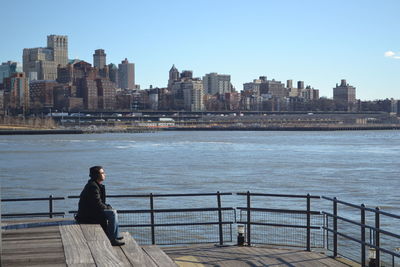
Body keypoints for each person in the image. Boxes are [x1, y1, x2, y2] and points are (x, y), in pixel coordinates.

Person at [75, 166, 125, 246]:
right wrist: (108, 208)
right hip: (87, 216)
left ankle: (114, 235)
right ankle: (112, 239)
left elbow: (99, 202)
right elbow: (98, 203)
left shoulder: (94, 184)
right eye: (102, 173)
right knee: (112, 213)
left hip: (91, 212)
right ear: (97, 175)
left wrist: (108, 207)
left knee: (112, 211)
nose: (104, 174)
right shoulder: (93, 187)